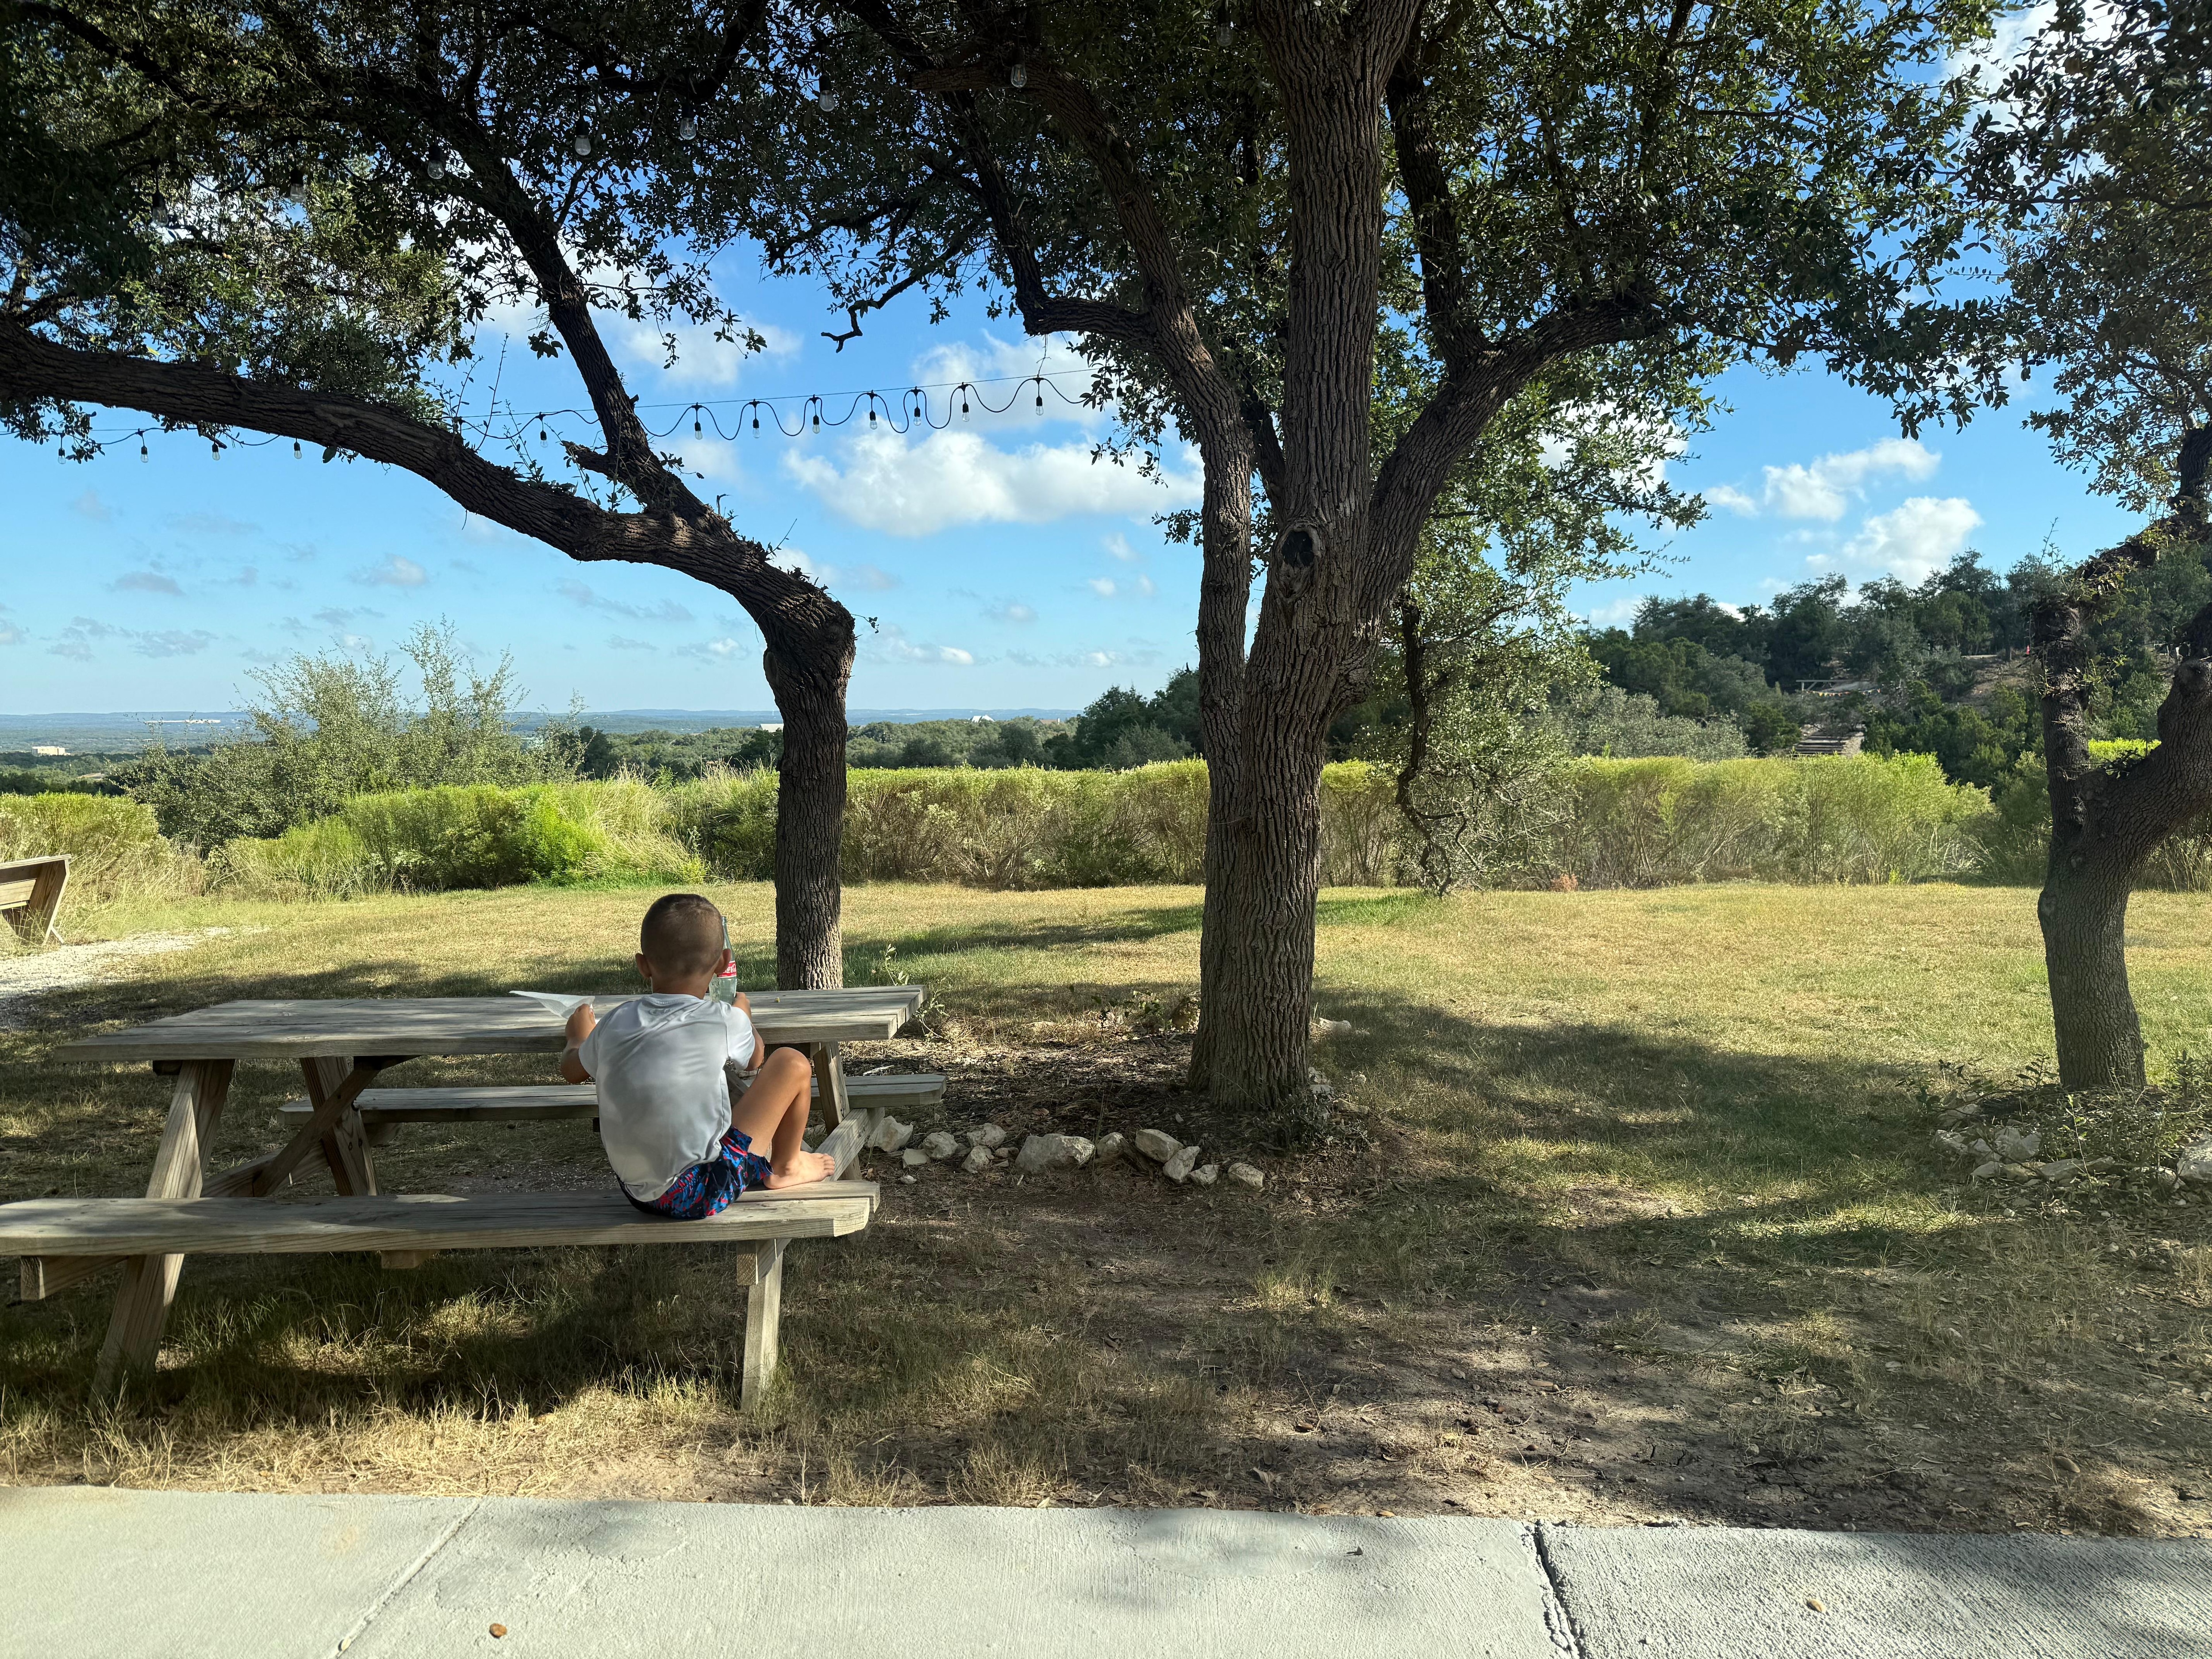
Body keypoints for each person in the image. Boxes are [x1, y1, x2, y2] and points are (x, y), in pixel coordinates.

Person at [560, 892, 834, 1217]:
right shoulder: (723, 1018)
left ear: (643, 965)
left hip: (637, 1191)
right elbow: (756, 1059)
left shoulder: (617, 1020)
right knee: (792, 1062)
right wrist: (743, 1015)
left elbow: (573, 1071)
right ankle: (787, 1165)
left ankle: (774, 1162)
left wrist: (579, 1037)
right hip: (702, 1193)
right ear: (722, 963)